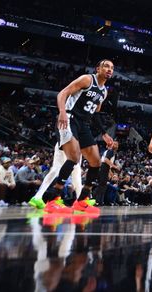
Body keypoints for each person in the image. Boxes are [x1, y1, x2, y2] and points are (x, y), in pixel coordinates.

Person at [29, 59, 115, 214]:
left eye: (112, 68)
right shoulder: (87, 79)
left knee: (95, 162)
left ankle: (82, 200)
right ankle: (52, 199)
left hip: (84, 125)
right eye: (106, 66)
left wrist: (104, 133)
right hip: (69, 119)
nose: (109, 69)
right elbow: (63, 93)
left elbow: (96, 114)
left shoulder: (104, 91)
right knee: (74, 158)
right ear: (98, 68)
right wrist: (62, 111)